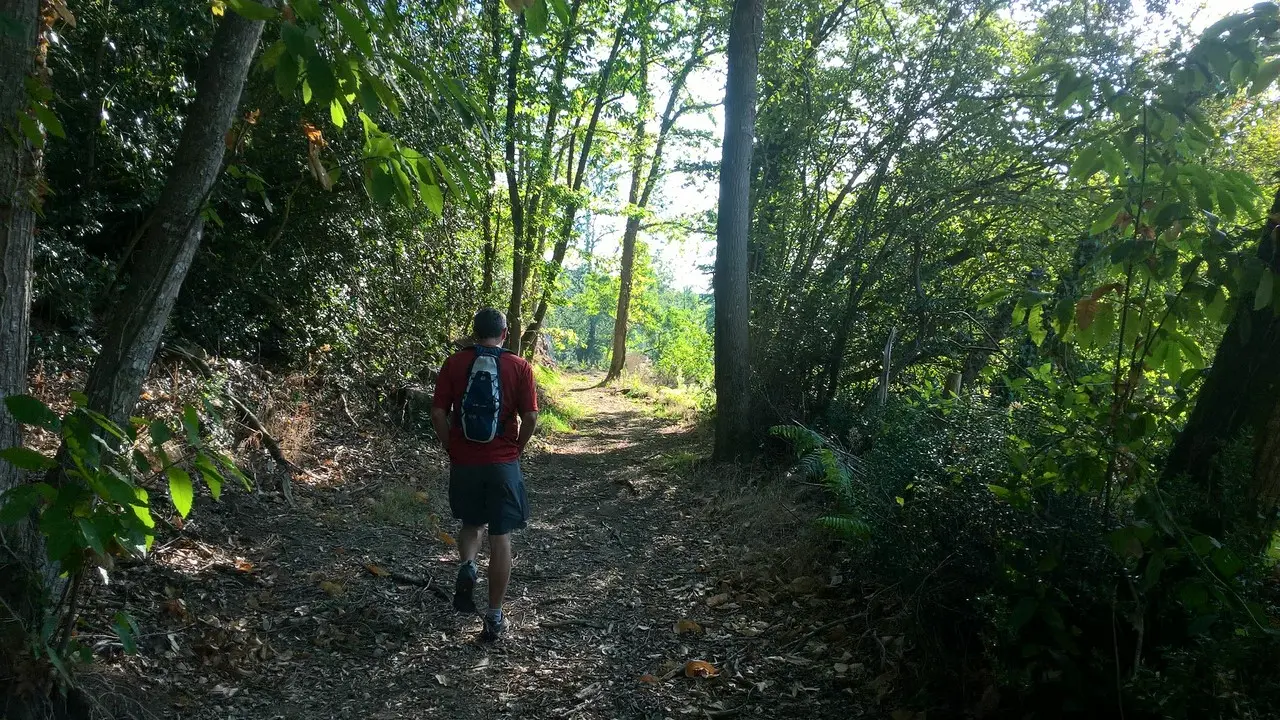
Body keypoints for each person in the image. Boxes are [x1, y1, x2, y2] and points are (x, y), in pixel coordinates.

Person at [430, 308, 539, 641]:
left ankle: (468, 564)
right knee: (501, 537)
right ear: (505, 334)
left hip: (465, 462)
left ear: (473, 333)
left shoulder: (453, 363)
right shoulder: (520, 367)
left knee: (471, 524)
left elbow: (438, 411)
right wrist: (516, 449)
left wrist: (452, 446)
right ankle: (493, 617)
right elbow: (531, 416)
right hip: (503, 464)